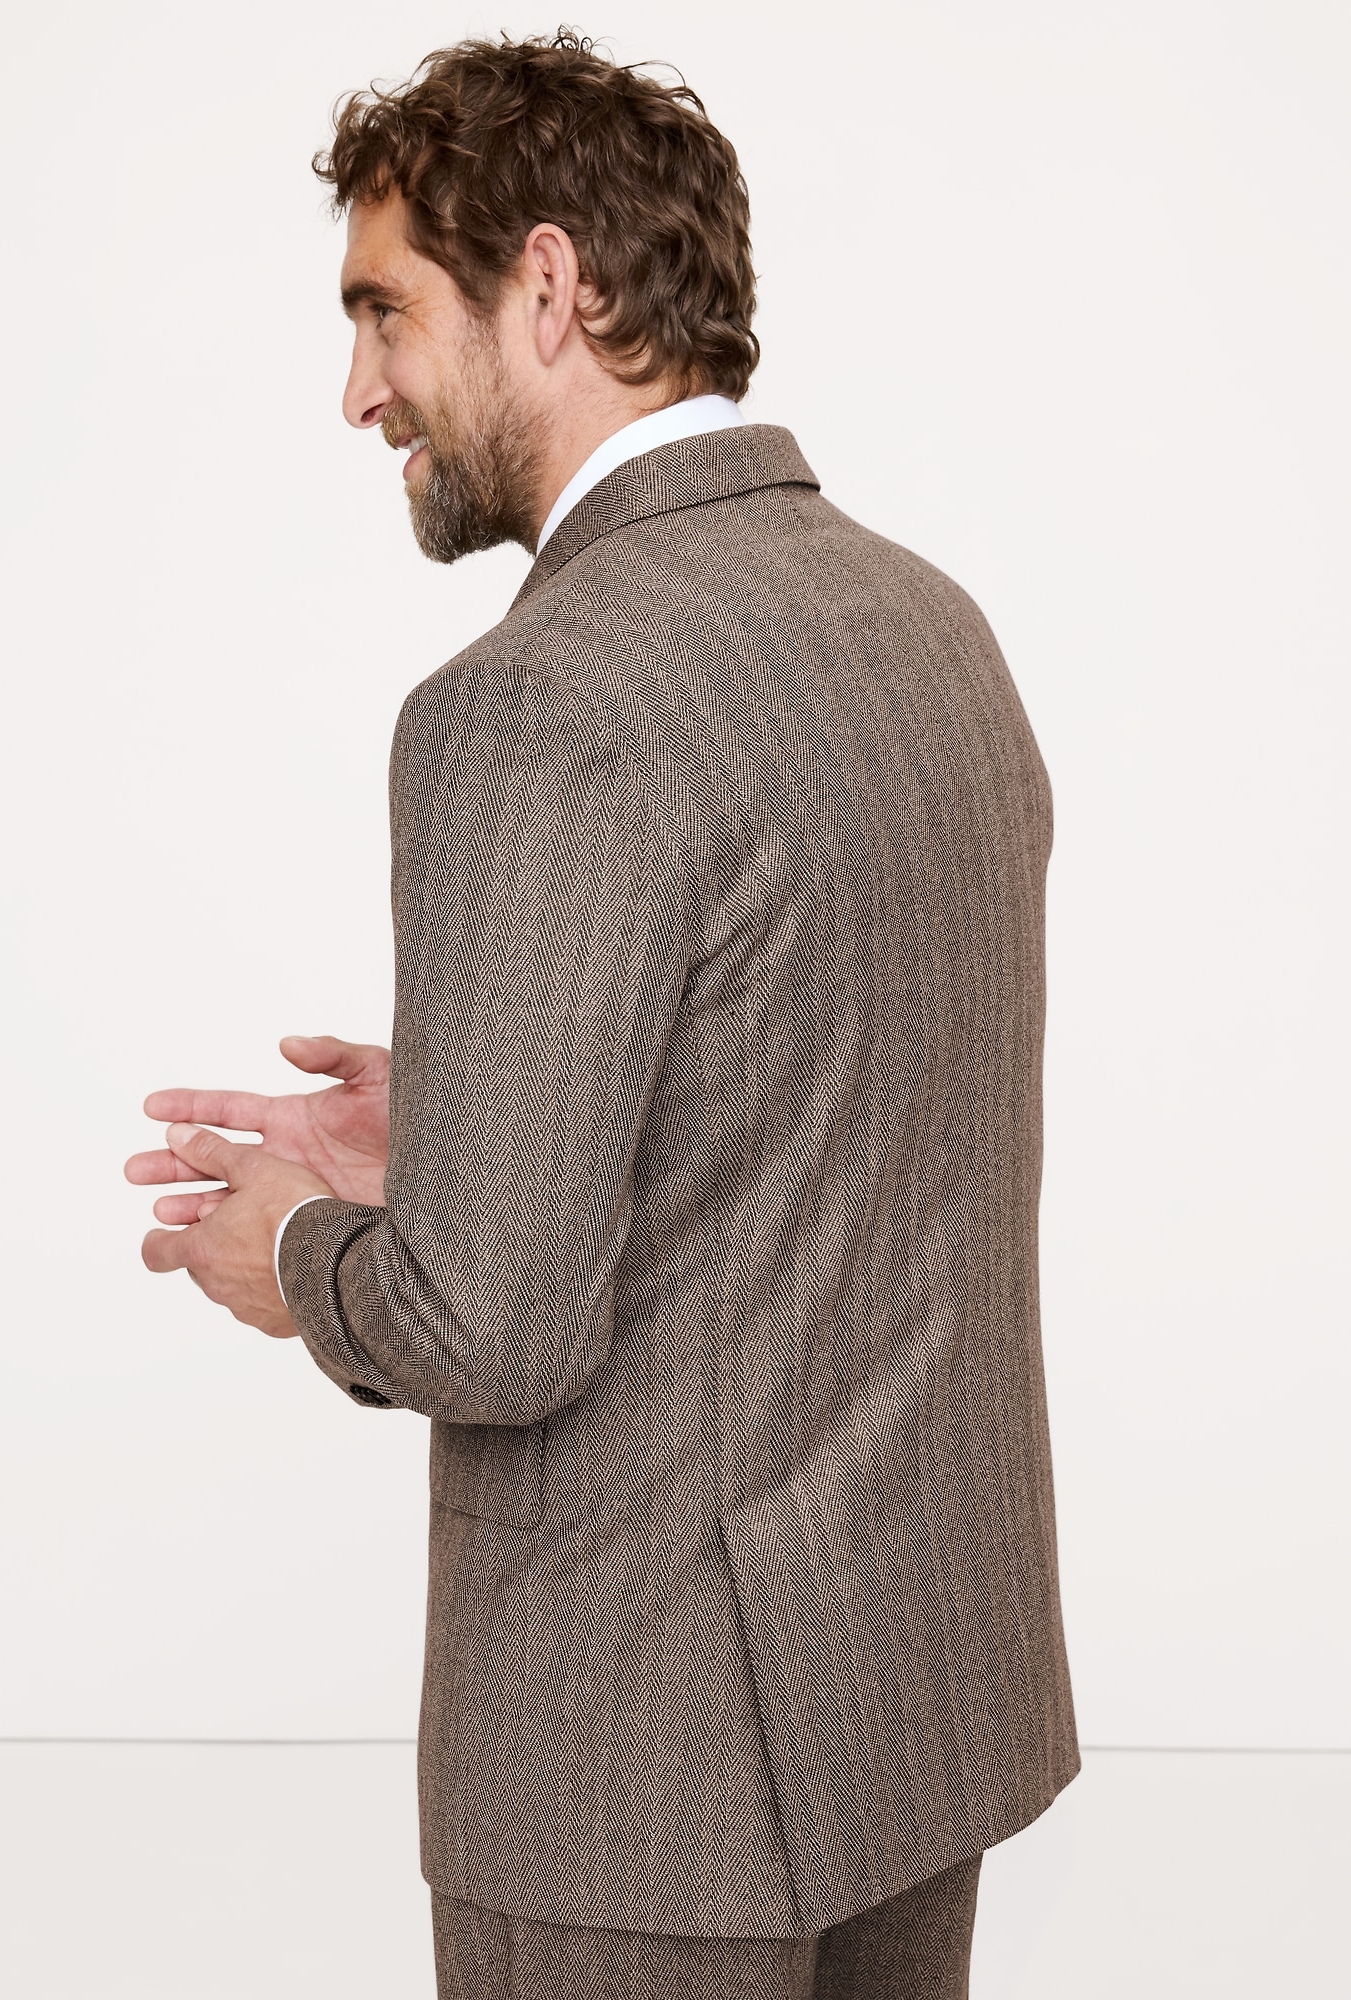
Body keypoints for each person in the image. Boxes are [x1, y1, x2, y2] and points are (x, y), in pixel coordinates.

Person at [125, 30, 1079, 1998]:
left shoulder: (531, 703)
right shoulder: (931, 629)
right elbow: (819, 1079)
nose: (358, 389)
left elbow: (492, 1324)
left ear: (549, 288)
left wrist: (295, 1251)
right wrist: (483, 1110)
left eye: (383, 309)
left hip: (639, 1773)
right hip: (920, 1698)